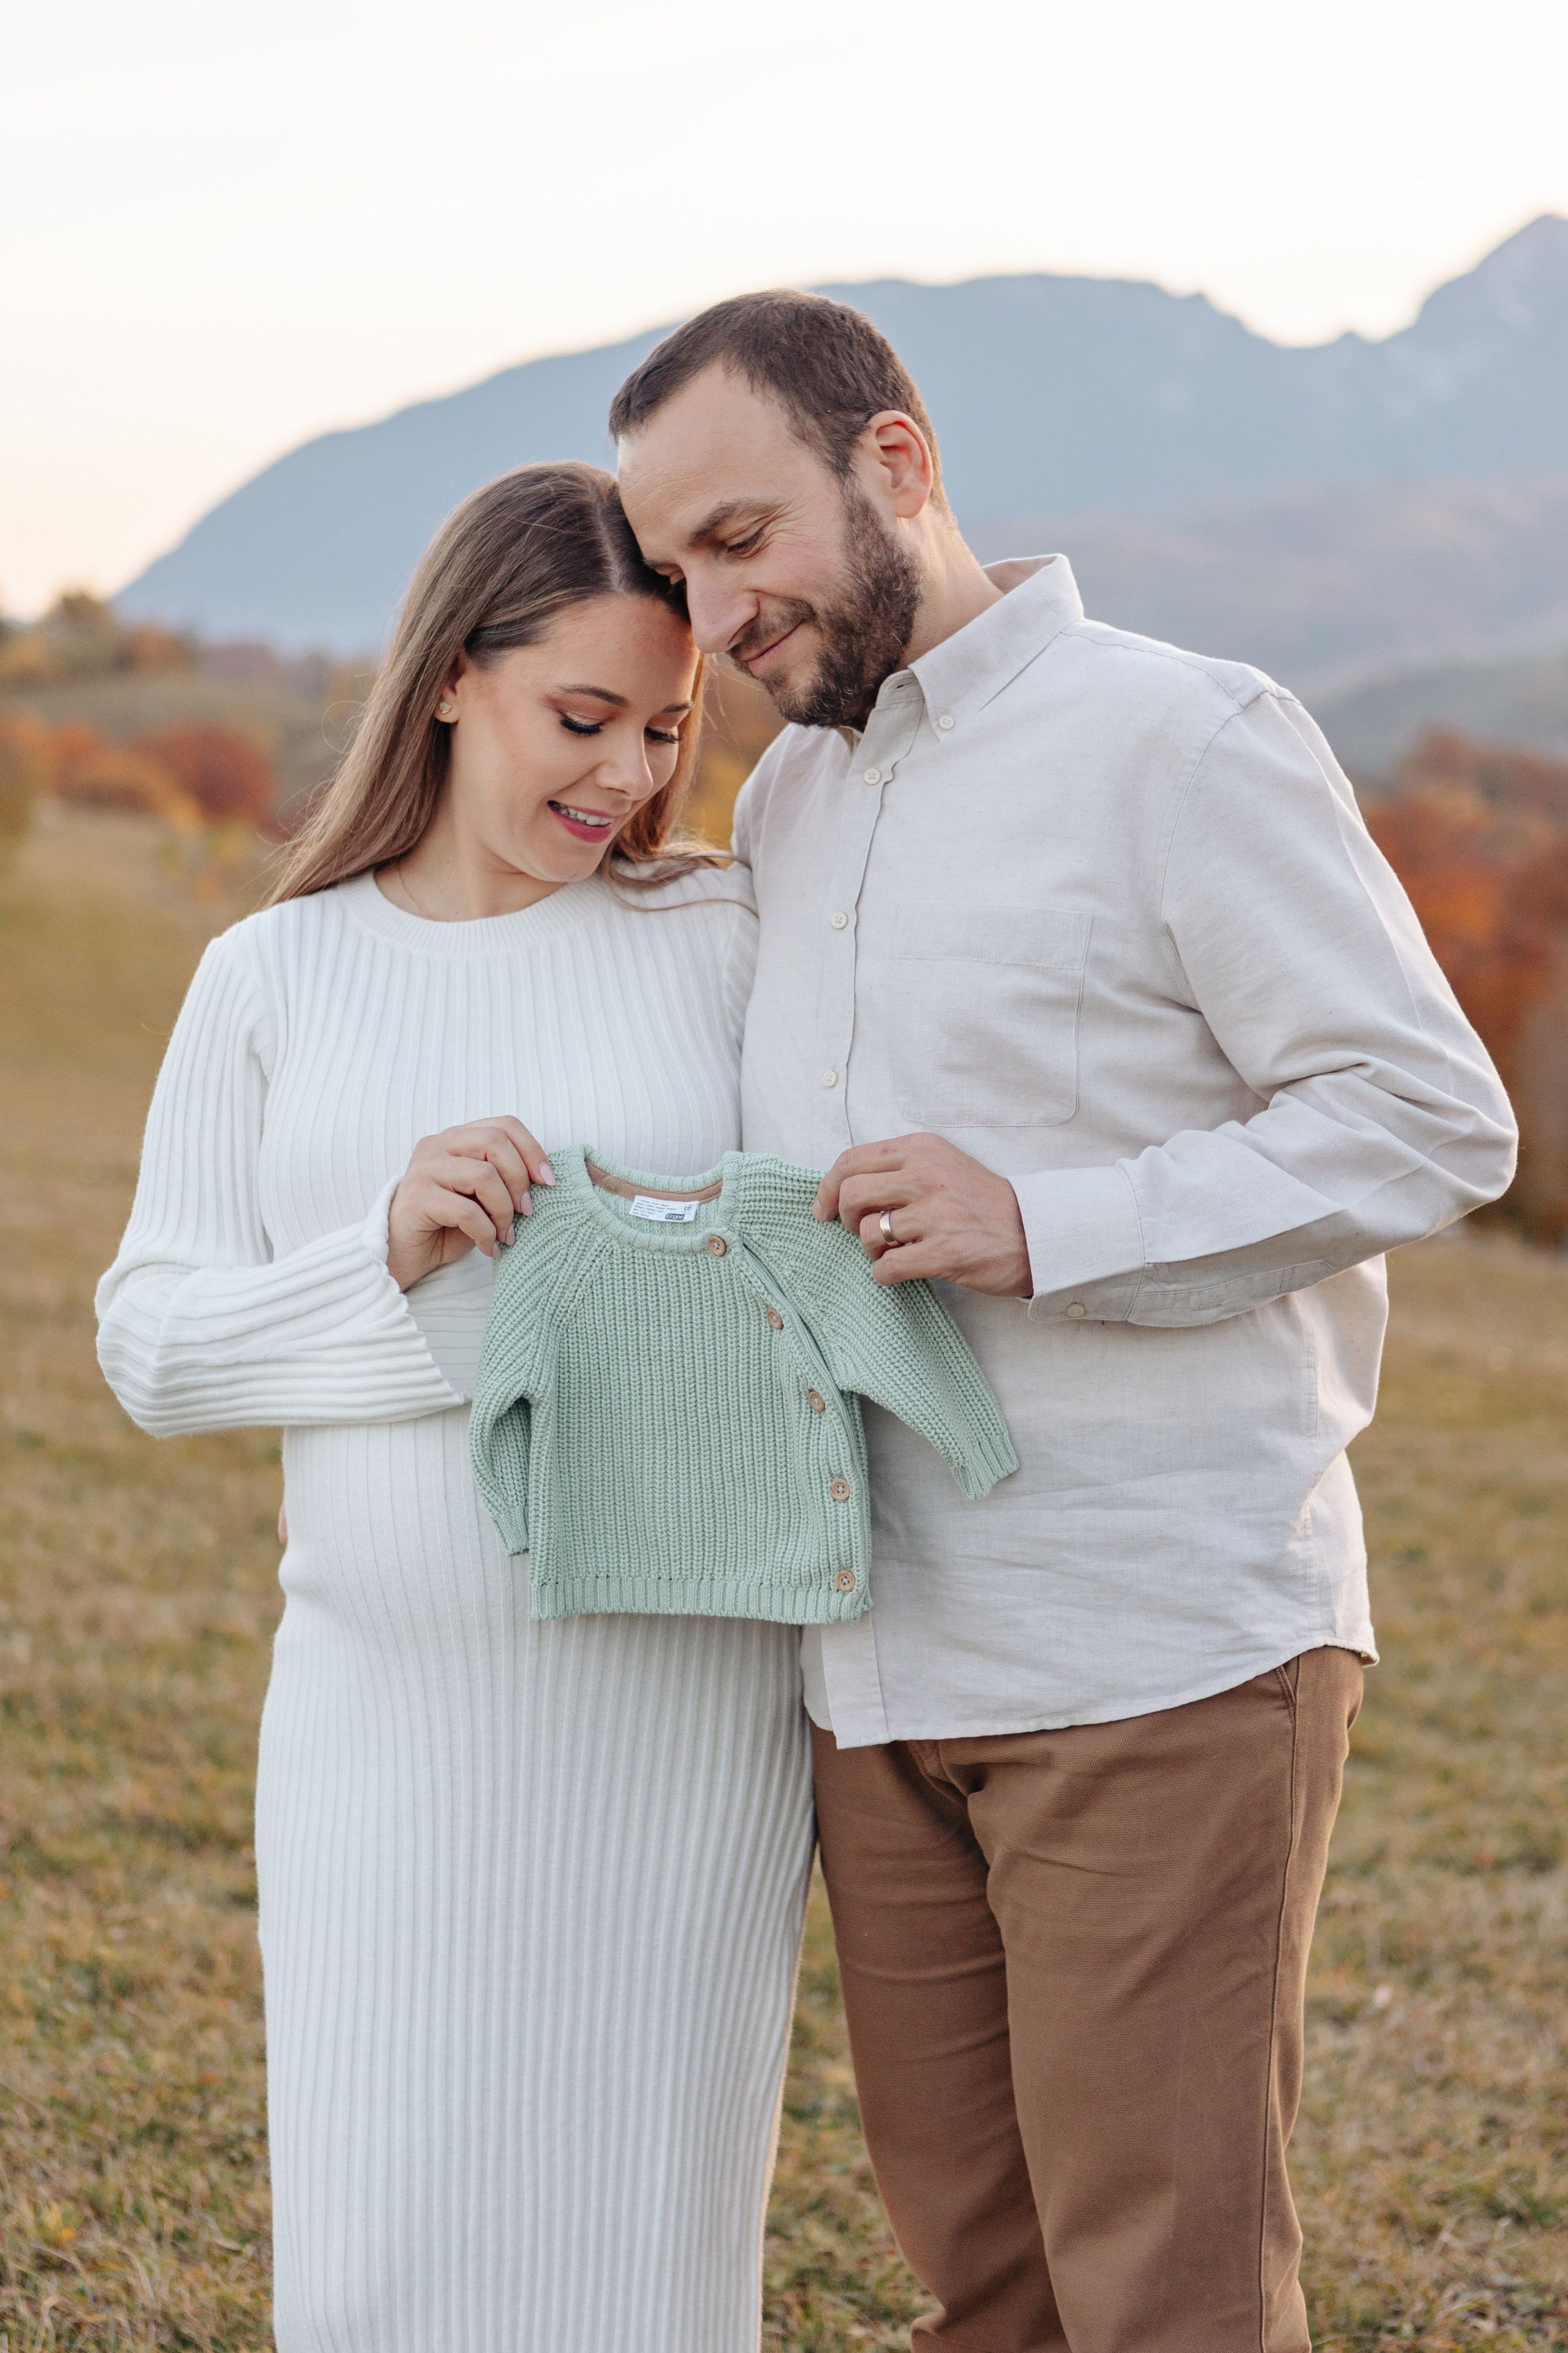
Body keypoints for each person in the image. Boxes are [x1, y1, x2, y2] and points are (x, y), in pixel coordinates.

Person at [612, 295, 1518, 2353]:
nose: (716, 617)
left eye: (743, 538)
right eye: (679, 572)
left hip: (1157, 1651)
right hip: (875, 1658)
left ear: (899, 464)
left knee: (1167, 2298)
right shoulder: (793, 802)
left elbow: (1429, 1111)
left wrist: (1052, 1221)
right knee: (990, 2286)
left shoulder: (1183, 738)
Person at [96, 463, 815, 2353]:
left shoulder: (719, 936)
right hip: (384, 1732)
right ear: (448, 679)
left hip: (679, 1721)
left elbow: (805, 1272)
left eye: (667, 729)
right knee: (386, 2251)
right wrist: (390, 1261)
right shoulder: (274, 974)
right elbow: (152, 1346)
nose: (628, 777)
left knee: (646, 2255)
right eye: (582, 718)